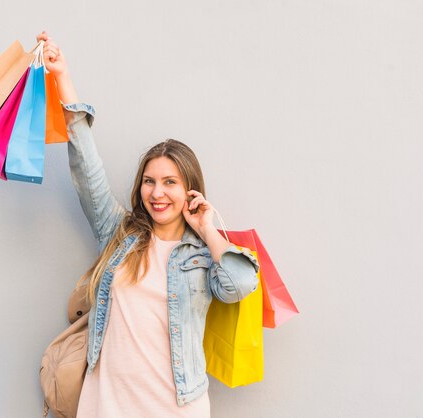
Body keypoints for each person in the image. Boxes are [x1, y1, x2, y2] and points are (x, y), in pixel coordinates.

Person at [36, 32, 260, 418]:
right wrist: (64, 80)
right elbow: (88, 171)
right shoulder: (120, 233)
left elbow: (240, 285)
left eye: (170, 182)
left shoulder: (201, 255)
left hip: (174, 408)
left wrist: (207, 230)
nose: (157, 193)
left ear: (190, 190)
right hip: (107, 404)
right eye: (150, 181)